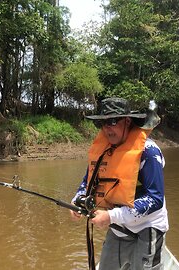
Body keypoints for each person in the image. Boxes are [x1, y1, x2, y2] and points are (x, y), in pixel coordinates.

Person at [70, 97, 169, 270]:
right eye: (103, 123)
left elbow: (155, 199)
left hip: (147, 227)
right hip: (118, 227)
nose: (107, 128)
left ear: (127, 121)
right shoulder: (103, 152)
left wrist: (111, 216)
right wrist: (77, 200)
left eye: (113, 121)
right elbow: (88, 182)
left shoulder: (149, 152)